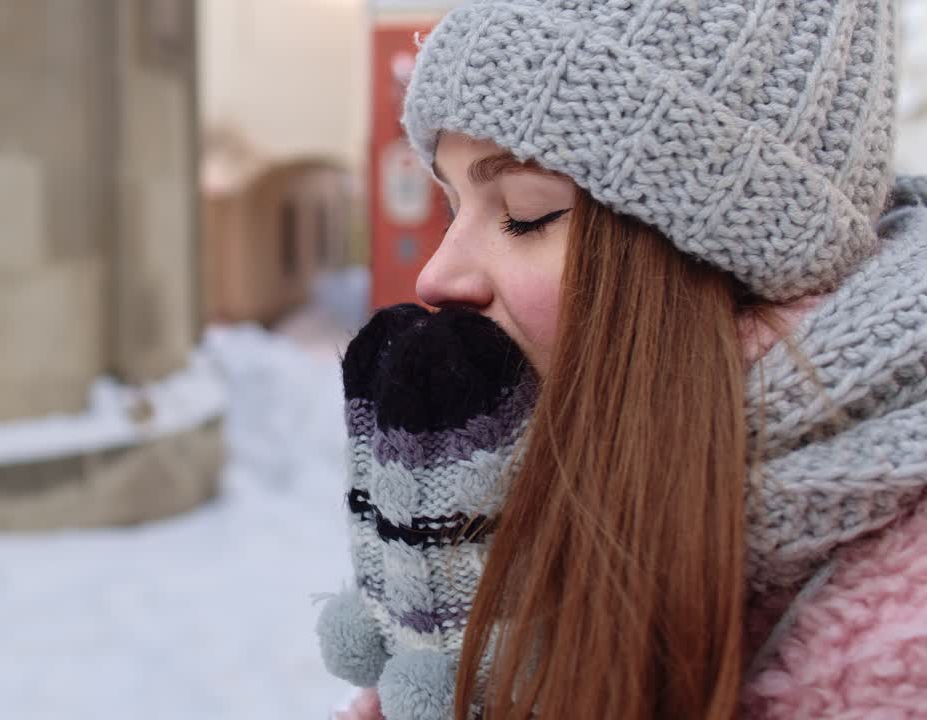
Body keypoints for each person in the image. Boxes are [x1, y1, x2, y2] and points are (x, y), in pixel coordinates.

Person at [319, 0, 927, 718]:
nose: (435, 277)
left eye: (525, 213)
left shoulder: (897, 647)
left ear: (726, 257)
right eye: (454, 208)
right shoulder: (510, 481)